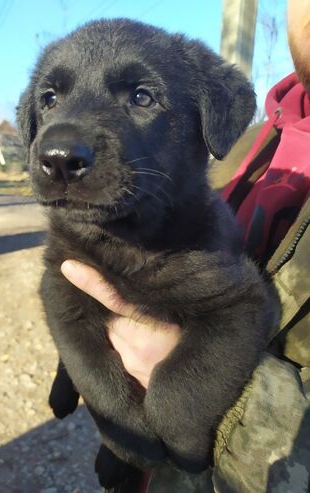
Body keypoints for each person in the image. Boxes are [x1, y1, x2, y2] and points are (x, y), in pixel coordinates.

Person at [60, 0, 310, 490]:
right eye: (49, 99)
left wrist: (191, 421)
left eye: (140, 97)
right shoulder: (248, 142)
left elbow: (235, 307)